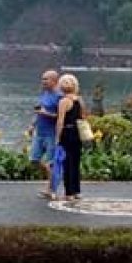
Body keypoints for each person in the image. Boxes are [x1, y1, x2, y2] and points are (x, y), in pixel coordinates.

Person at [30, 70, 61, 198]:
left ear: (54, 80)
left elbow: (60, 117)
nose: (43, 82)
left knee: (50, 163)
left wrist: (46, 113)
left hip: (51, 134)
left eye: (46, 79)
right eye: (42, 79)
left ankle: (51, 189)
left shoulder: (59, 96)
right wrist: (33, 124)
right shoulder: (44, 93)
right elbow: (39, 110)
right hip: (40, 132)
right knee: (34, 160)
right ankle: (54, 179)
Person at [55, 73, 85, 201]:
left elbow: (60, 121)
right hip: (77, 133)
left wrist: (58, 136)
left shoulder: (63, 101)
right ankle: (77, 191)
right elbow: (83, 117)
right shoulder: (79, 100)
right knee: (76, 162)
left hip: (67, 133)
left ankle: (69, 193)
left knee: (67, 163)